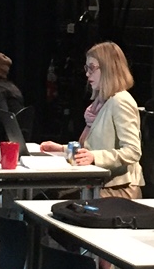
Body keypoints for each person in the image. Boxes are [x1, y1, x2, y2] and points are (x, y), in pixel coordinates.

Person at [40, 40, 142, 197]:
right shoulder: (103, 101)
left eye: (92, 68)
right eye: (86, 68)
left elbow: (133, 151)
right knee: (47, 196)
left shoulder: (121, 101)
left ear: (108, 69)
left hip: (118, 190)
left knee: (52, 200)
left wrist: (95, 157)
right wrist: (61, 149)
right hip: (98, 184)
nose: (87, 74)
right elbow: (90, 148)